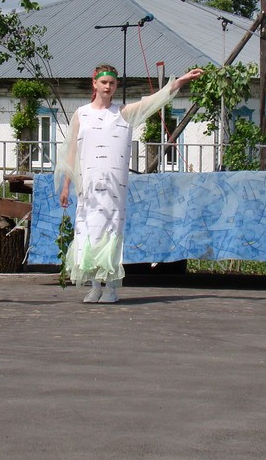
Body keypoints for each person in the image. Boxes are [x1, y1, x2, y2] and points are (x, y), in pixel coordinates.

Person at [56, 64, 204, 303]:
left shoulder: (123, 113)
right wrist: (66, 185)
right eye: (103, 82)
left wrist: (180, 81)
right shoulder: (81, 115)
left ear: (115, 86)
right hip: (89, 189)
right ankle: (95, 285)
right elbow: (72, 151)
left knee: (110, 233)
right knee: (89, 232)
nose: (108, 86)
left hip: (114, 189)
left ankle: (111, 288)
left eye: (112, 83)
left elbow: (153, 101)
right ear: (94, 84)